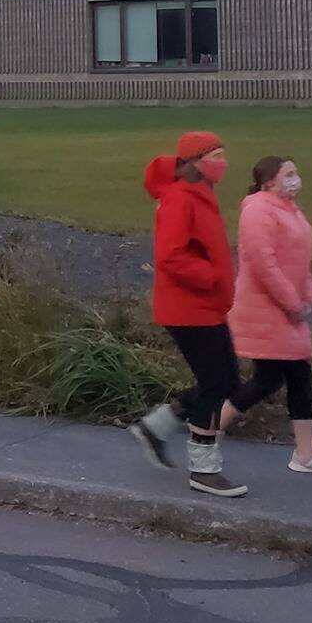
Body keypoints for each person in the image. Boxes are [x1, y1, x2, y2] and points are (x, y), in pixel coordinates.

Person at [130, 132, 246, 498]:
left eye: (222, 153)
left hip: (205, 306)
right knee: (216, 383)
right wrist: (210, 276)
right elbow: (170, 255)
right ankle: (204, 469)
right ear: (194, 161)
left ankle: (156, 427)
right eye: (214, 155)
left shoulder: (200, 194)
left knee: (226, 380)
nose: (222, 162)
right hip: (188, 307)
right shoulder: (181, 198)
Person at [223, 156, 312, 477]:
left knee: (291, 376)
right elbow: (264, 264)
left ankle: (305, 452)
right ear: (269, 181)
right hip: (266, 310)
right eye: (288, 174)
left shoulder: (288, 210)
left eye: (296, 173)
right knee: (272, 379)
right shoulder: (257, 210)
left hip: (287, 311)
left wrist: (306, 296)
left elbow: (299, 259)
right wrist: (293, 303)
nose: (295, 179)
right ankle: (208, 429)